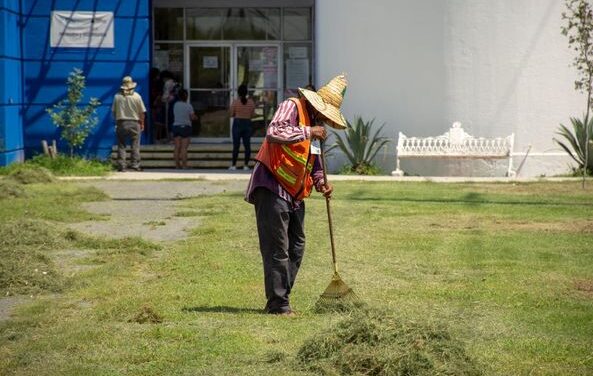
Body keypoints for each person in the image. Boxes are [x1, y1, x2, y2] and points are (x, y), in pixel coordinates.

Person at [245, 74, 349, 316]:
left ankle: (280, 295)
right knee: (277, 248)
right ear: (316, 104)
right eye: (325, 114)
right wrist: (308, 130)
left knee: (297, 246)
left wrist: (321, 182)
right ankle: (278, 305)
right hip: (271, 184)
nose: (325, 119)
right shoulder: (291, 106)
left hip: (294, 192)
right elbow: (274, 131)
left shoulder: (316, 126)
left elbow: (314, 159)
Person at [112, 76, 147, 172]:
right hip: (134, 123)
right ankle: (135, 165)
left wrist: (116, 123)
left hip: (121, 123)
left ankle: (122, 166)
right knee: (135, 145)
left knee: (121, 145)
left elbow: (114, 112)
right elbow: (142, 112)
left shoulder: (117, 96)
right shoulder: (137, 96)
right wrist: (142, 124)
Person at [229, 84, 256, 170]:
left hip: (237, 123)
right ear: (246, 92)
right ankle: (246, 165)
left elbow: (231, 114)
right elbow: (253, 115)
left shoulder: (235, 102)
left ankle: (233, 165)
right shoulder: (251, 102)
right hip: (247, 123)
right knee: (247, 145)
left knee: (236, 145)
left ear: (238, 93)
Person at [172, 89, 197, 169]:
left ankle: (177, 165)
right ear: (186, 96)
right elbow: (192, 117)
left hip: (176, 126)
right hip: (186, 127)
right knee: (184, 148)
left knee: (177, 147)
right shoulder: (188, 106)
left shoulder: (175, 105)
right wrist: (196, 117)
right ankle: (184, 165)